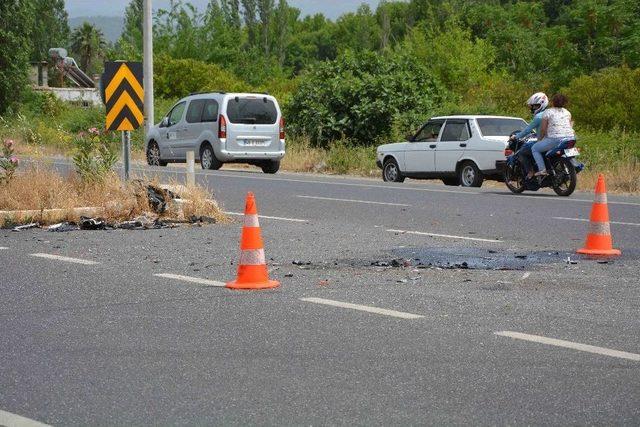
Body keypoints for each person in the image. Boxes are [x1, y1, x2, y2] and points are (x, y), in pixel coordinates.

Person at [531, 93, 575, 176]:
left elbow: (543, 129)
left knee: (535, 148)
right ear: (564, 103)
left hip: (555, 139)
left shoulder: (548, 112)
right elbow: (569, 126)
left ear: (553, 102)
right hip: (570, 138)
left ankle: (542, 170)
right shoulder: (567, 112)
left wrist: (539, 139)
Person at [510, 92, 548, 178]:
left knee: (522, 152)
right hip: (556, 139)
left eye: (535, 106)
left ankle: (530, 172)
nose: (533, 108)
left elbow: (527, 130)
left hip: (544, 141)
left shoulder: (539, 117)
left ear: (542, 104)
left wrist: (516, 136)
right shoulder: (551, 113)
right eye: (533, 106)